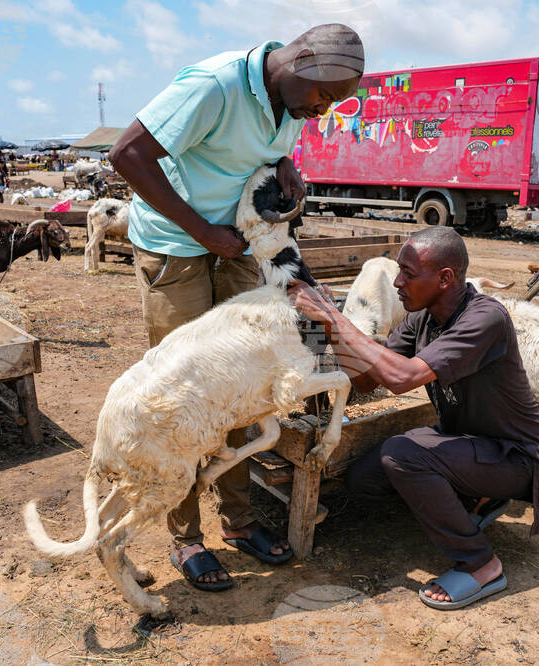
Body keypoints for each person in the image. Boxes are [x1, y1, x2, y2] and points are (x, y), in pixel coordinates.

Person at [108, 24, 364, 591]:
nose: (321, 113)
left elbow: (271, 148)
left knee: (244, 387)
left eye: (334, 104)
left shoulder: (294, 99)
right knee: (186, 393)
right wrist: (203, 230)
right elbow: (126, 155)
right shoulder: (214, 86)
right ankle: (185, 537)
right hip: (178, 247)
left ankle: (240, 522)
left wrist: (286, 167)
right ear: (297, 61)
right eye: (323, 98)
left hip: (234, 243)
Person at [288, 227, 539, 610]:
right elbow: (365, 381)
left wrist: (331, 312)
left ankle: (481, 562)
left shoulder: (486, 318)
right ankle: (467, 500)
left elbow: (401, 379)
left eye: (408, 274)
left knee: (401, 454)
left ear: (445, 279)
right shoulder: (421, 319)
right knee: (363, 480)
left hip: (515, 457)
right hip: (465, 443)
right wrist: (321, 328)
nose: (397, 282)